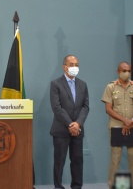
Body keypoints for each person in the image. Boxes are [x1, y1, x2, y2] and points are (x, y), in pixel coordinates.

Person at [50, 55, 89, 189]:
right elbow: (56, 107)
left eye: (76, 64)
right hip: (61, 129)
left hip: (78, 130)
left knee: (77, 160)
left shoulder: (82, 84)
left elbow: (85, 106)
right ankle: (58, 186)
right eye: (71, 64)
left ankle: (77, 186)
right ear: (64, 67)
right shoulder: (55, 84)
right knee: (59, 161)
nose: (74, 67)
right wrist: (70, 124)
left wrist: (77, 123)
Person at [101, 61, 133, 189]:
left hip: (132, 126)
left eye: (129, 71)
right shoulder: (111, 87)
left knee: (132, 158)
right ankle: (113, 186)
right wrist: (124, 121)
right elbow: (108, 109)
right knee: (115, 159)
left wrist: (129, 121)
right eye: (124, 71)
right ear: (118, 71)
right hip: (116, 128)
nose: (127, 73)